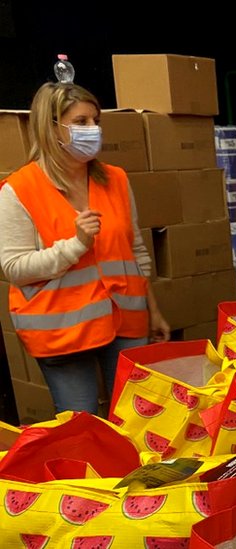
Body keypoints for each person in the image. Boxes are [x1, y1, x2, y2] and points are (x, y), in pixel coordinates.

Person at [0, 82, 170, 415]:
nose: (92, 130)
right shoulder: (19, 190)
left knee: (133, 416)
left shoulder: (116, 179)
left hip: (126, 318)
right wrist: (76, 245)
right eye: (80, 122)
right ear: (51, 127)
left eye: (96, 121)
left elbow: (135, 251)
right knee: (82, 425)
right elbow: (14, 268)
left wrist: (154, 309)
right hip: (62, 331)